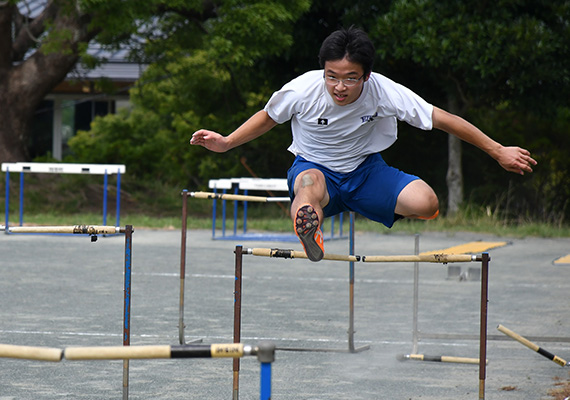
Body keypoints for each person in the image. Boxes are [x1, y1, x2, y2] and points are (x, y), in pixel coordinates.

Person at [190, 27, 537, 262]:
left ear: (366, 75)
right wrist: (227, 142)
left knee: (427, 203)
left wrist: (497, 149)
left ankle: (367, 204)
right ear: (322, 71)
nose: (339, 87)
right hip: (314, 167)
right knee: (308, 188)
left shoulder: (383, 91)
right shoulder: (301, 90)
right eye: (332, 77)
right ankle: (311, 232)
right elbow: (268, 116)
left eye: (350, 79)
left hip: (366, 171)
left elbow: (443, 119)